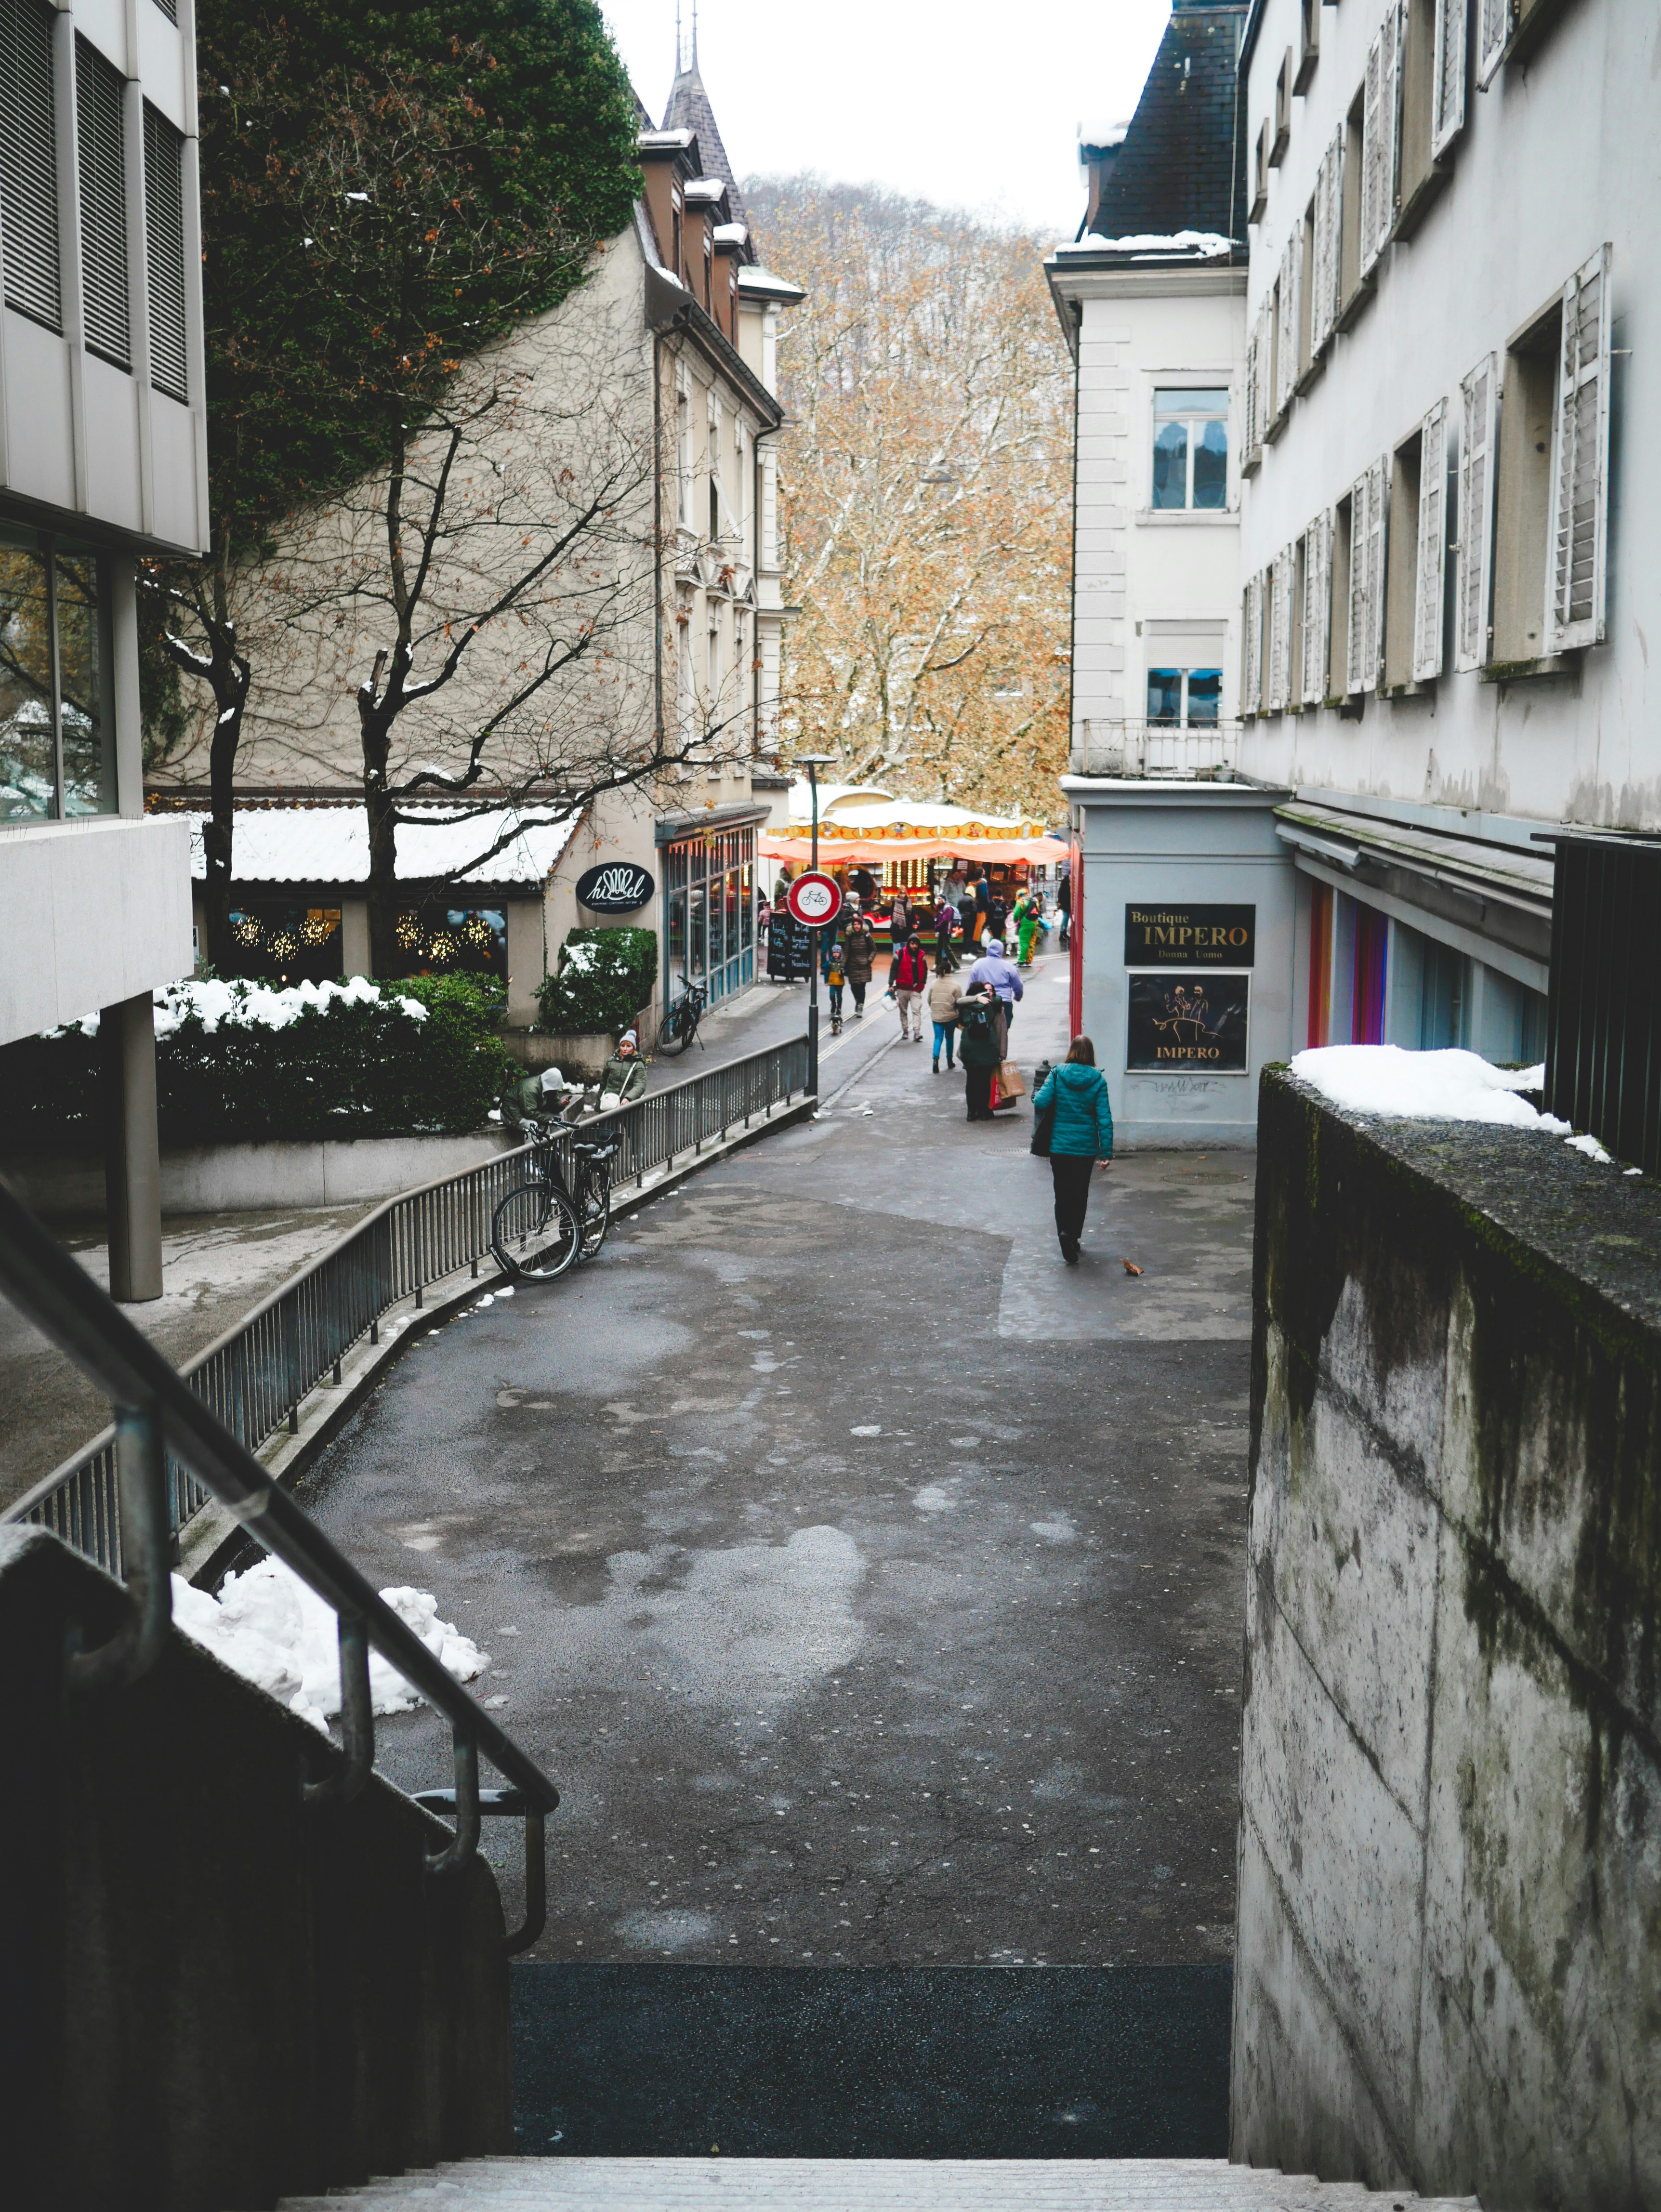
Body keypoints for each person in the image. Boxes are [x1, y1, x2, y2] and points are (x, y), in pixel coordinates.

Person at [1033, 1037, 1114, 1264]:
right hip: (1085, 1150)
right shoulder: (1098, 1081)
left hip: (1060, 1147)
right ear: (1091, 1055)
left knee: (1062, 1193)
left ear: (1071, 1051)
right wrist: (1106, 1153)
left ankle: (1063, 1233)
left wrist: (1039, 1094)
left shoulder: (1058, 1074)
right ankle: (1074, 1236)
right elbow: (1104, 1119)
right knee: (1080, 1193)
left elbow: (1040, 1103)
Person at [958, 982, 1003, 1119]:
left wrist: (974, 998)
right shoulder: (991, 1003)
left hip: (970, 1048)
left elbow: (957, 1002)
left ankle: (972, 1112)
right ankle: (984, 1111)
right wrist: (983, 997)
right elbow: (1000, 999)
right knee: (985, 1081)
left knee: (971, 1081)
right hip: (987, 1047)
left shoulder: (965, 1006)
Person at [967, 935, 1024, 1034]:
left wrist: (971, 1000)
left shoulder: (978, 965)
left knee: (984, 1031)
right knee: (1002, 1032)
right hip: (1004, 1003)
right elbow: (1018, 985)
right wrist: (1018, 996)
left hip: (983, 1002)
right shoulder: (1009, 967)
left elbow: (970, 987)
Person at [888, 930, 929, 1040]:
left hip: (916, 989)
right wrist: (891, 984)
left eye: (916, 944)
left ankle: (917, 1032)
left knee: (917, 1010)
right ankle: (905, 1030)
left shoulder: (921, 955)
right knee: (903, 1011)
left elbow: (925, 969)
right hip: (902, 988)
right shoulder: (900, 954)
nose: (914, 946)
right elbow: (894, 969)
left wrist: (923, 982)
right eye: (912, 943)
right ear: (909, 943)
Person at [927, 960, 965, 1072]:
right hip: (951, 1016)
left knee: (938, 1038)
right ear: (950, 971)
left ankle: (935, 1060)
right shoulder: (956, 986)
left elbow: (929, 1000)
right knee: (949, 1038)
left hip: (936, 1016)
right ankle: (950, 1060)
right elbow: (959, 1002)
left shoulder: (933, 984)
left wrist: (935, 1009)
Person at [598, 1028, 647, 1110]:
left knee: (630, 1123)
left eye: (628, 1046)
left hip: (628, 1105)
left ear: (633, 1048)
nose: (625, 1049)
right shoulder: (611, 1061)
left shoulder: (638, 1064)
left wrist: (629, 1098)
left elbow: (640, 1084)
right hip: (610, 1104)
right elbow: (603, 1084)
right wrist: (598, 1105)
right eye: (623, 1046)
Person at [843, 913, 875, 1016]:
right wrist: (843, 965)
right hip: (853, 966)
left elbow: (874, 950)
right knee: (854, 987)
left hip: (864, 966)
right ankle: (858, 1001)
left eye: (858, 924)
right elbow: (846, 952)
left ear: (861, 925)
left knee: (862, 987)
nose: (857, 926)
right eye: (855, 924)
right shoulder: (850, 937)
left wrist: (869, 960)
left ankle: (860, 1005)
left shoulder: (867, 936)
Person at [826, 936, 846, 1033]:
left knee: (840, 996)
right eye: (834, 953)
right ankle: (834, 1005)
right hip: (832, 981)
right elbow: (826, 971)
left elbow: (846, 970)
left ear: (840, 953)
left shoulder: (842, 962)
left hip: (840, 982)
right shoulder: (830, 962)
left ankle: (839, 1007)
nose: (835, 955)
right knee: (832, 995)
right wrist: (826, 981)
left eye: (837, 953)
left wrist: (843, 972)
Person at [1016, 890, 1041, 968]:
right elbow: (1038, 911)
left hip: (1026, 922)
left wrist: (1016, 921)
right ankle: (1029, 961)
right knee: (1032, 942)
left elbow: (1017, 913)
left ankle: (1022, 961)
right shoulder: (1035, 901)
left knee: (1024, 942)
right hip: (1035, 923)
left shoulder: (1022, 902)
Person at [1056, 869, 1072, 949]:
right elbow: (1061, 892)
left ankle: (1064, 932)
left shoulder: (1069, 882)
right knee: (1066, 918)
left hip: (1068, 903)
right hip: (1065, 903)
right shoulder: (1066, 882)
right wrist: (1060, 901)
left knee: (1066, 918)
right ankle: (1063, 933)